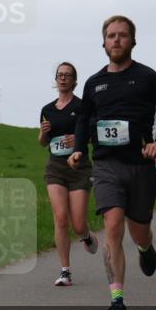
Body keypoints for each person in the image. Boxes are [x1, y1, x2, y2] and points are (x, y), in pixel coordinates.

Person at [68, 15, 156, 310]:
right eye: (111, 35)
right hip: (106, 165)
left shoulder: (149, 77)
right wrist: (79, 148)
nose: (116, 40)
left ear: (133, 41)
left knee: (138, 230)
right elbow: (82, 119)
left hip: (141, 166)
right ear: (103, 43)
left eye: (122, 35)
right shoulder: (93, 83)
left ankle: (145, 248)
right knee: (113, 225)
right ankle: (116, 301)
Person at [39, 62, 99, 286]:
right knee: (61, 217)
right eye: (59, 75)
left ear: (75, 80)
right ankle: (65, 270)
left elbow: (94, 134)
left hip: (79, 168)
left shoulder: (83, 106)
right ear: (56, 80)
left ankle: (85, 235)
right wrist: (43, 134)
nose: (63, 78)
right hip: (55, 166)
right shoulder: (47, 109)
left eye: (67, 75)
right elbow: (43, 142)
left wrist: (80, 139)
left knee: (78, 223)